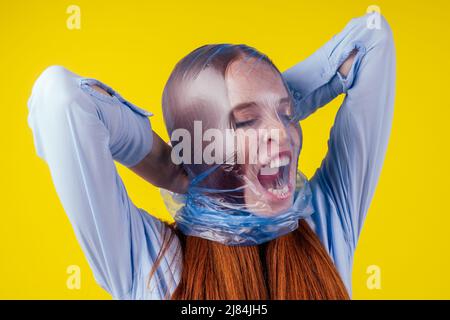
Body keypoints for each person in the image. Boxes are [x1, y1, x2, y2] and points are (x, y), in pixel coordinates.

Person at [27, 12, 395, 299]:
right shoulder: (149, 263)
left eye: (288, 115)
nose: (282, 133)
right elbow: (60, 98)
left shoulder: (326, 224)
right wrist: (168, 165)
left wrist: (272, 101)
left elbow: (373, 37)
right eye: (245, 122)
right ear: (199, 147)